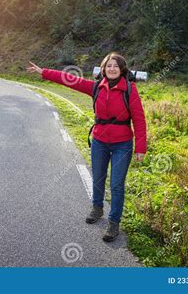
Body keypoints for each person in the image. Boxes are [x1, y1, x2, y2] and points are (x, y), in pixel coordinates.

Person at [26, 52, 147, 242]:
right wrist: (44, 72)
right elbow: (70, 80)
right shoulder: (97, 87)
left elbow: (139, 119)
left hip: (122, 144)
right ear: (104, 69)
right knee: (98, 178)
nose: (112, 69)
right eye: (108, 66)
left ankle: (114, 223)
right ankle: (97, 208)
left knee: (116, 184)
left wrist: (140, 147)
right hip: (99, 141)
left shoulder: (130, 90)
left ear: (122, 69)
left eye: (115, 66)